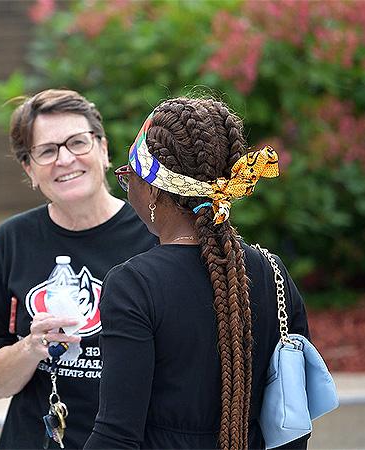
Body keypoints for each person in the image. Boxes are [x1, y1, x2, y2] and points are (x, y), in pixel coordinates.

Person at [84, 97, 310, 449]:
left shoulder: (133, 285)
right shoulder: (272, 273)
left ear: (155, 191)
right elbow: (294, 416)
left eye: (130, 178)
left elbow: (117, 434)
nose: (128, 190)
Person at [0, 89, 157, 449]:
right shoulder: (11, 241)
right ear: (29, 169)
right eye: (47, 151)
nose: (65, 159)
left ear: (103, 150)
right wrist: (32, 346)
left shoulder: (153, 233)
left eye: (77, 143)